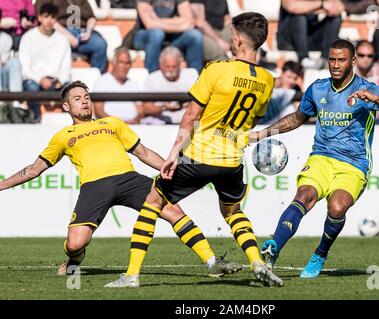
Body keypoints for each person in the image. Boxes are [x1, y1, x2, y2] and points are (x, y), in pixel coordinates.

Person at [105, 12, 284, 288]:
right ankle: (257, 262)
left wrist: (173, 155)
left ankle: (131, 275)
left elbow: (189, 117)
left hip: (200, 154)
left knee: (152, 202)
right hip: (233, 159)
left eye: (232, 35)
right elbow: (251, 123)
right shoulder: (268, 80)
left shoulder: (216, 69)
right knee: (233, 212)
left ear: (237, 39)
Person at [0, 80, 242, 279]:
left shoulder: (112, 123)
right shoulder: (62, 136)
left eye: (86, 96)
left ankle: (212, 262)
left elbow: (144, 153)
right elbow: (33, 170)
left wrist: (172, 169)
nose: (84, 100)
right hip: (94, 187)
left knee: (173, 210)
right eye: (77, 98)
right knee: (75, 244)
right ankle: (75, 259)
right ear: (65, 106)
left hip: (129, 179)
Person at [253, 39, 379, 279]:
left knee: (337, 208)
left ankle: (320, 254)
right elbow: (297, 117)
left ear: (353, 61)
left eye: (341, 60)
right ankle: (274, 247)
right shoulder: (317, 88)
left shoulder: (367, 89)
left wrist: (377, 100)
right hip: (321, 158)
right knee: (304, 196)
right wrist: (263, 133)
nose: (335, 65)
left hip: (354, 164)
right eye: (332, 59)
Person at [19, 3, 71, 122]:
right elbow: (24, 68)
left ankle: (72, 125)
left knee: (71, 89)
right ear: (39, 17)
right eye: (46, 16)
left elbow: (66, 68)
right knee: (30, 87)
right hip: (35, 81)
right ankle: (35, 121)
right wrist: (40, 80)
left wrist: (60, 81)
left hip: (55, 83)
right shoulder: (28, 37)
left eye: (53, 17)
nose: (49, 20)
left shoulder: (62, 40)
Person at [125, 0, 203, 73]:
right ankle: (152, 77)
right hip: (143, 36)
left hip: (169, 37)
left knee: (195, 35)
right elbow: (149, 24)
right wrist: (181, 26)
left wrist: (157, 21)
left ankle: (195, 79)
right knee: (157, 34)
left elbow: (189, 20)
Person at [35, 0, 108, 73]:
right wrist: (68, 36)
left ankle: (96, 77)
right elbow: (46, 19)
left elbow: (91, 17)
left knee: (100, 44)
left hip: (82, 31)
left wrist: (88, 32)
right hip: (59, 31)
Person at [277, 0, 344, 69]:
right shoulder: (321, 2)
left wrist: (308, 8)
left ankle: (325, 59)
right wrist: (322, 5)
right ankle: (304, 59)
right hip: (289, 41)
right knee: (298, 15)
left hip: (309, 39)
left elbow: (338, 7)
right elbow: (292, 7)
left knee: (336, 18)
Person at [140, 46, 198, 124]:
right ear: (160, 65)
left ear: (180, 65)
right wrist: (165, 107)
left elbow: (200, 103)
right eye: (167, 67)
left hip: (188, 122)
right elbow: (146, 108)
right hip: (161, 123)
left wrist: (183, 105)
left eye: (174, 66)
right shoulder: (152, 79)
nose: (170, 70)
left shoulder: (191, 75)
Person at [93, 47, 144, 124]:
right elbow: (98, 111)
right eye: (121, 62)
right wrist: (119, 123)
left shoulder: (134, 83)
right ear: (114, 63)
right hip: (109, 127)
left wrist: (136, 120)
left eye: (128, 63)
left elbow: (140, 111)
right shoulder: (102, 81)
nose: (125, 66)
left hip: (133, 127)